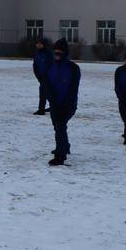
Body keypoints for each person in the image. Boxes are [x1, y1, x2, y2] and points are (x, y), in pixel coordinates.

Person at [46, 38, 80, 166]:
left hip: (68, 105)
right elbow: (47, 85)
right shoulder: (50, 66)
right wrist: (52, 101)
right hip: (54, 104)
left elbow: (73, 89)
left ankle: (60, 156)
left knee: (60, 126)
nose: (57, 54)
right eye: (55, 51)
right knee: (58, 126)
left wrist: (65, 104)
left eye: (60, 51)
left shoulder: (73, 68)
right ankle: (64, 146)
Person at [32, 36, 52, 115]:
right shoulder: (37, 53)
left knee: (43, 93)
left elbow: (52, 66)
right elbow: (35, 66)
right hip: (41, 77)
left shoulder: (49, 54)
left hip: (49, 77)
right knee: (47, 93)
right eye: (37, 43)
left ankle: (41, 110)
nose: (38, 45)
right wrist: (38, 76)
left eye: (40, 44)